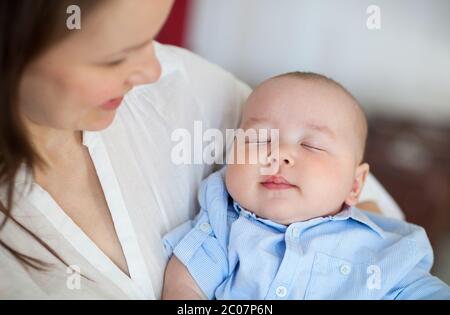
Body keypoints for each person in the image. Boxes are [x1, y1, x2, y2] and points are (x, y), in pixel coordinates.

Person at [0, 0, 395, 299]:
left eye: (149, 39)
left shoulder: (186, 86)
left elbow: (381, 218)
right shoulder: (222, 223)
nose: (151, 71)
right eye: (115, 58)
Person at [162, 72, 450, 299]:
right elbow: (186, 279)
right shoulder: (223, 223)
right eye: (259, 139)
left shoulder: (383, 251)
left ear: (355, 184)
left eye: (311, 145)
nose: (279, 153)